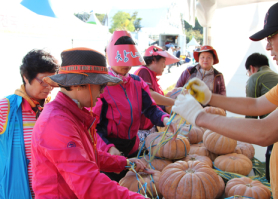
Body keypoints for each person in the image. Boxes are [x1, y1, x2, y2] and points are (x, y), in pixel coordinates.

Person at [172, 1, 278, 198]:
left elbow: (265, 132)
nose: (268, 45)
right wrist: (209, 98)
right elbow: (256, 104)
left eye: (271, 36)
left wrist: (199, 117)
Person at [31, 47, 148, 198]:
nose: (103, 91)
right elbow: (89, 183)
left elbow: (89, 156)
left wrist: (124, 162)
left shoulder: (72, 113)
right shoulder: (56, 122)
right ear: (81, 85)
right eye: (101, 85)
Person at [95, 31, 176, 182]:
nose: (126, 66)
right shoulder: (100, 86)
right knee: (114, 188)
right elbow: (93, 127)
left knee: (133, 185)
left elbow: (150, 109)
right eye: (121, 61)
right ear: (110, 57)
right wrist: (108, 148)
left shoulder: (137, 82)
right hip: (109, 150)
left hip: (132, 147)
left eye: (128, 61)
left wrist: (165, 119)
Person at [0, 49, 59, 198]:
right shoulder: (6, 108)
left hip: (48, 192)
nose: (49, 87)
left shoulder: (53, 109)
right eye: (44, 81)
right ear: (26, 77)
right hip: (15, 191)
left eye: (52, 81)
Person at [245, 52, 278, 182]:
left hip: (277, 128)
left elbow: (251, 109)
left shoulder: (255, 77)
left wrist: (244, 140)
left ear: (252, 68)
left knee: (272, 162)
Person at [134, 45, 179, 142]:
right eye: (163, 62)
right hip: (141, 130)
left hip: (150, 126)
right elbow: (151, 96)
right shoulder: (143, 72)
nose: (165, 66)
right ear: (154, 60)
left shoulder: (150, 75)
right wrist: (175, 102)